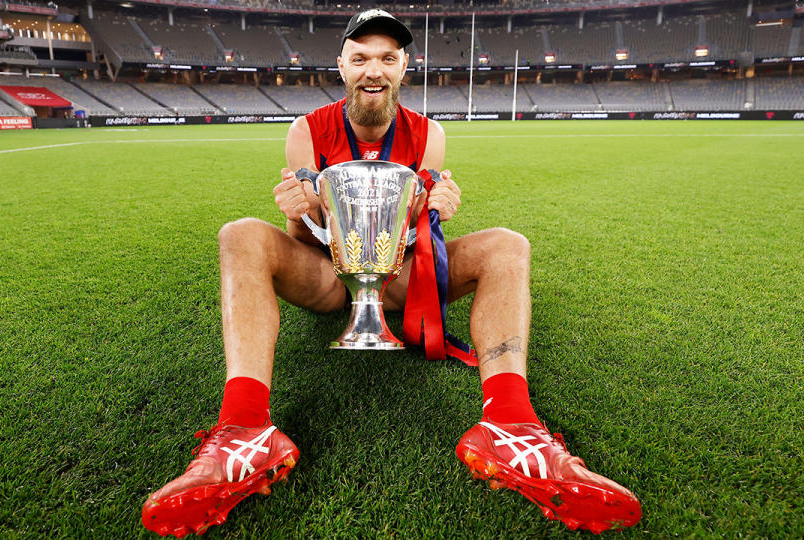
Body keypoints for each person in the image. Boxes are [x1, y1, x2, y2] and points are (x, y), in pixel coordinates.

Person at [141, 10, 641, 537]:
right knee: (240, 233)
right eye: (360, 59)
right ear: (342, 66)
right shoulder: (306, 129)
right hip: (329, 276)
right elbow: (301, 239)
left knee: (508, 247)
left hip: (402, 277)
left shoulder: (429, 134)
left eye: (386, 58)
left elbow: (419, 240)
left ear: (405, 65)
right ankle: (244, 429)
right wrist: (295, 211)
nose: (372, 71)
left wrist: (439, 207)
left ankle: (511, 426)